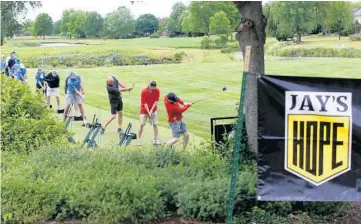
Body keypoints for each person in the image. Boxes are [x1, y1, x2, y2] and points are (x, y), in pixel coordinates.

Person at [137, 80, 161, 146]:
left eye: (154, 87)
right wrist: (148, 111)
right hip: (144, 110)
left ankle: (156, 139)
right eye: (152, 87)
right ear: (149, 85)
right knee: (142, 124)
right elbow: (144, 103)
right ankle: (138, 140)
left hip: (153, 109)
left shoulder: (157, 90)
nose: (153, 89)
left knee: (155, 124)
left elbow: (156, 101)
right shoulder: (144, 91)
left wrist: (151, 110)